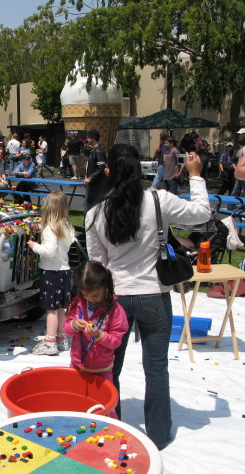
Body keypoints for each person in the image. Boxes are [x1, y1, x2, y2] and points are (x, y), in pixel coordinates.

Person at [86, 143, 211, 450]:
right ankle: (158, 433)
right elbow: (202, 214)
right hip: (154, 294)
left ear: (108, 171)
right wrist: (195, 176)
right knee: (156, 368)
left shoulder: (95, 214)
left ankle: (108, 422)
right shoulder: (158, 200)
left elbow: (97, 264)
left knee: (110, 365)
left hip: (116, 299)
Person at [62, 261, 128, 402]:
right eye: (86, 295)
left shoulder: (115, 310)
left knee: (104, 404)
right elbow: (66, 328)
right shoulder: (78, 303)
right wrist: (74, 325)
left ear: (106, 287)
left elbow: (116, 341)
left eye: (96, 295)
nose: (91, 299)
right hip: (77, 366)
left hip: (102, 370)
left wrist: (99, 335)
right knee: (76, 402)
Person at [27, 192, 75, 355]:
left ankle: (49, 341)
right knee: (61, 307)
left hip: (52, 273)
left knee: (51, 309)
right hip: (65, 271)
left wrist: (34, 246)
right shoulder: (66, 226)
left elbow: (49, 251)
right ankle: (62, 338)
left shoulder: (50, 229)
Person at [83, 128, 106, 213]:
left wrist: (90, 178)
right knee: (88, 206)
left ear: (92, 138)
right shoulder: (93, 150)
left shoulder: (98, 151)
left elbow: (101, 168)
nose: (87, 139)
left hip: (96, 185)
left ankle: (89, 224)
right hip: (92, 184)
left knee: (90, 207)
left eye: (88, 137)